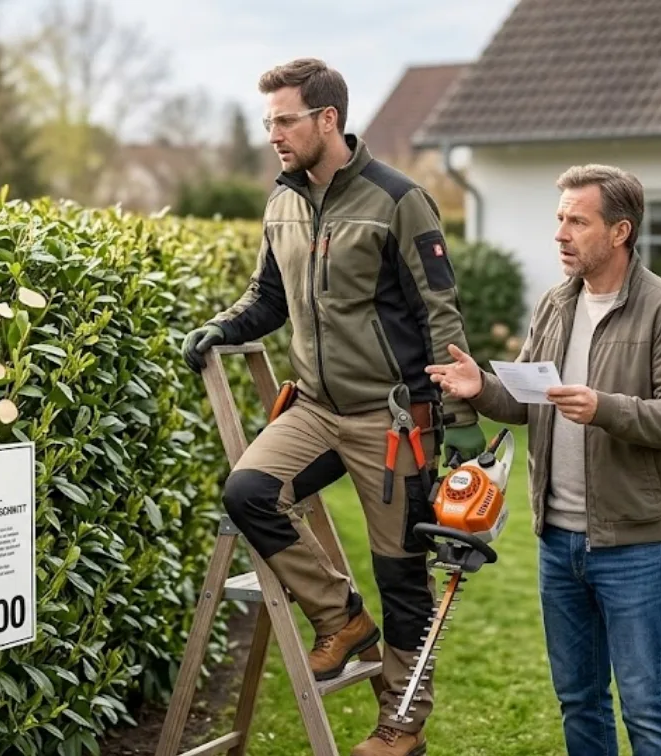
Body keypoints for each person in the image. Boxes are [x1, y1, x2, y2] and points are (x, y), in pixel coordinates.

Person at [182, 57, 487, 756]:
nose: (273, 135)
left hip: (393, 419)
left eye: (285, 120)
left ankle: (402, 725)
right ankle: (341, 618)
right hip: (315, 410)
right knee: (249, 493)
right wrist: (222, 327)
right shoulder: (282, 201)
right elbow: (268, 298)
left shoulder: (398, 199)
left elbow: (439, 312)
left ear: (328, 119)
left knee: (401, 575)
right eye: (268, 122)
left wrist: (460, 420)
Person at [426, 164, 661, 756]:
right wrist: (481, 387)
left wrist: (605, 407)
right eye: (559, 219)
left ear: (620, 231)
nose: (560, 233)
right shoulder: (555, 304)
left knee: (646, 706)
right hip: (557, 542)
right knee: (578, 699)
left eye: (577, 221)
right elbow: (530, 402)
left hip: (634, 545)